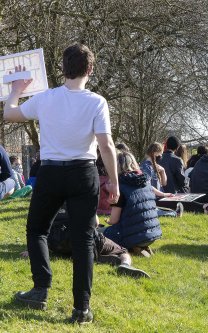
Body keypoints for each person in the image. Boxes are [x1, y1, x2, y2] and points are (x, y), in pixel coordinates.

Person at [4, 43, 119, 324]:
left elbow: (9, 113)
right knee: (82, 240)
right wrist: (114, 181)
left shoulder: (45, 98)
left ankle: (40, 289)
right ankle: (81, 309)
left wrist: (17, 89)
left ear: (63, 69)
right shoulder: (97, 101)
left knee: (37, 230)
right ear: (89, 69)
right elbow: (106, 144)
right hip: (84, 173)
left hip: (51, 174)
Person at [22, 205, 150, 279]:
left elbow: (39, 227)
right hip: (81, 239)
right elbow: (95, 223)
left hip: (56, 244)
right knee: (123, 250)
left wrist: (33, 250)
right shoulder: (80, 193)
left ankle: (95, 257)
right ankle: (125, 264)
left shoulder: (48, 196)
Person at [103, 151, 163, 257]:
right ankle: (141, 247)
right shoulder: (146, 182)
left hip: (134, 235)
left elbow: (114, 220)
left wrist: (108, 221)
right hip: (153, 234)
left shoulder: (120, 187)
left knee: (99, 233)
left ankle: (133, 246)